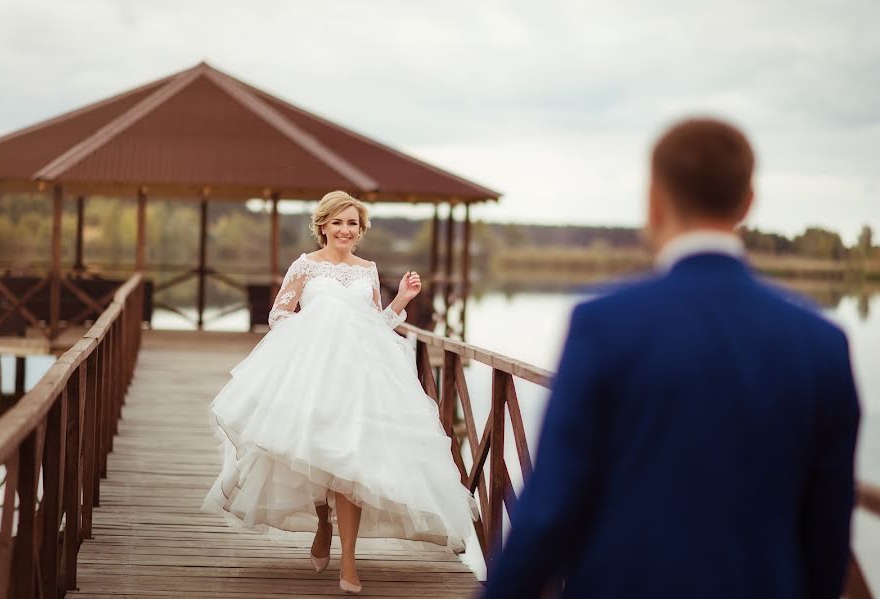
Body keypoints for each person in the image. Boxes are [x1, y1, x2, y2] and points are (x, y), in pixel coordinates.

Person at [483, 118, 860, 598]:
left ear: (655, 200)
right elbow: (828, 529)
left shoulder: (604, 324)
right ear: (747, 203)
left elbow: (552, 504)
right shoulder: (822, 341)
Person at [202, 191, 476, 594]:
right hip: (314, 373)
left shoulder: (368, 270)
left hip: (360, 379)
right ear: (323, 226)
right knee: (315, 452)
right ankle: (321, 524)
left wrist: (402, 299)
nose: (346, 230)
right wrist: (317, 324)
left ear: (360, 230)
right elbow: (278, 314)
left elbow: (376, 324)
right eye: (338, 222)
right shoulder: (305, 266)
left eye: (353, 224)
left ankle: (349, 561)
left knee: (351, 463)